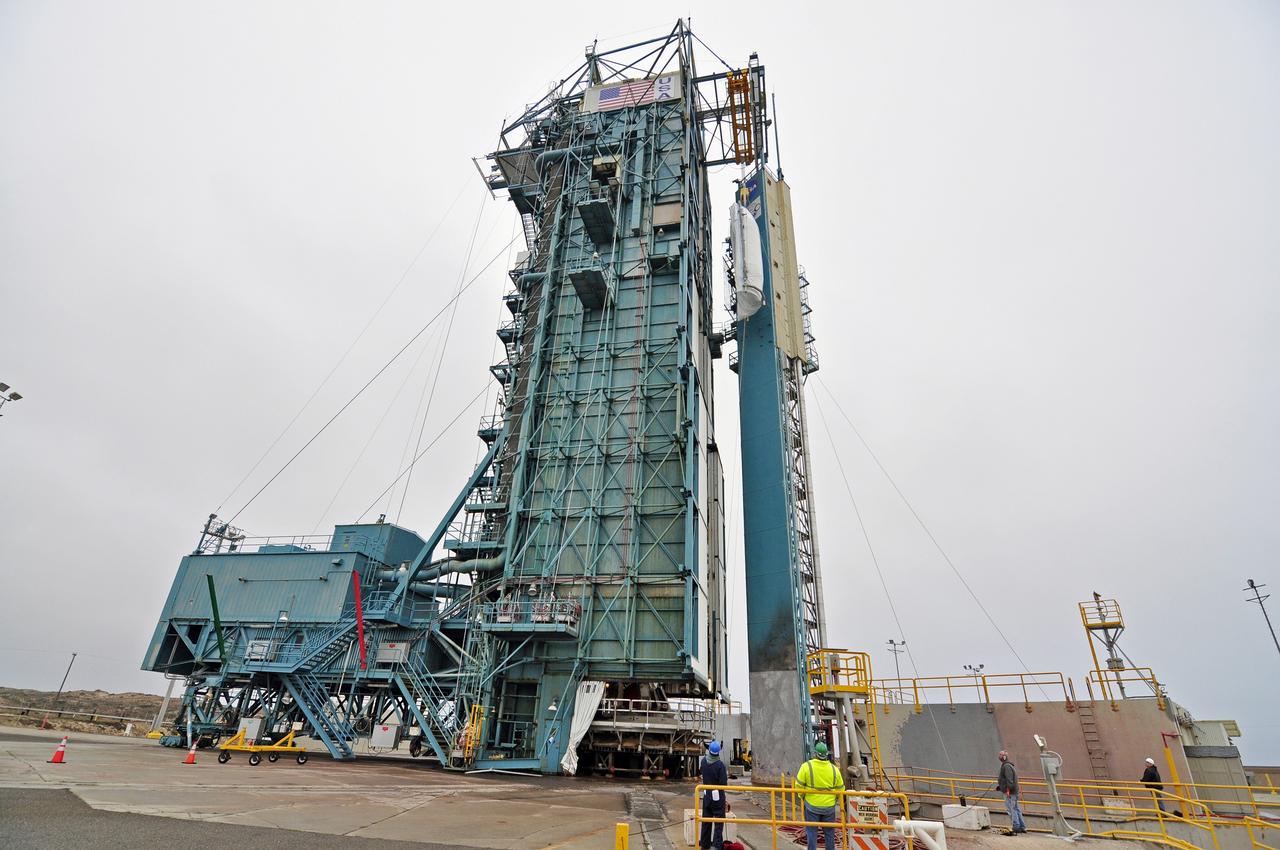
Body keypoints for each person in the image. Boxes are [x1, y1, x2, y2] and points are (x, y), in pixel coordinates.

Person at [795, 741, 845, 850]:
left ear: (815, 754)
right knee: (829, 833)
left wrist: (803, 796)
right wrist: (834, 800)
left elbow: (798, 785)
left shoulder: (806, 766)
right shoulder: (834, 769)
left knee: (812, 831)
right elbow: (841, 789)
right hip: (829, 808)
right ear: (826, 754)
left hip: (812, 806)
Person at [699, 740, 728, 850]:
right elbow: (723, 784)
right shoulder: (720, 765)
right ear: (718, 751)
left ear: (709, 750)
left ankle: (705, 846)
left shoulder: (703, 762)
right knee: (719, 824)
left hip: (707, 797)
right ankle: (717, 846)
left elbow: (702, 774)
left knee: (706, 822)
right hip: (718, 798)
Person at [997, 750, 1027, 834]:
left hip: (1010, 792)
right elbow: (1005, 780)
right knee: (1016, 808)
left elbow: (1009, 780)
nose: (999, 756)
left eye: (1000, 755)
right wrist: (1000, 787)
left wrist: (1008, 790)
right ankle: (1022, 827)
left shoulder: (1006, 766)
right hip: (1011, 791)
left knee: (1011, 809)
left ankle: (1016, 826)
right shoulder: (1007, 765)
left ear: (1004, 757)